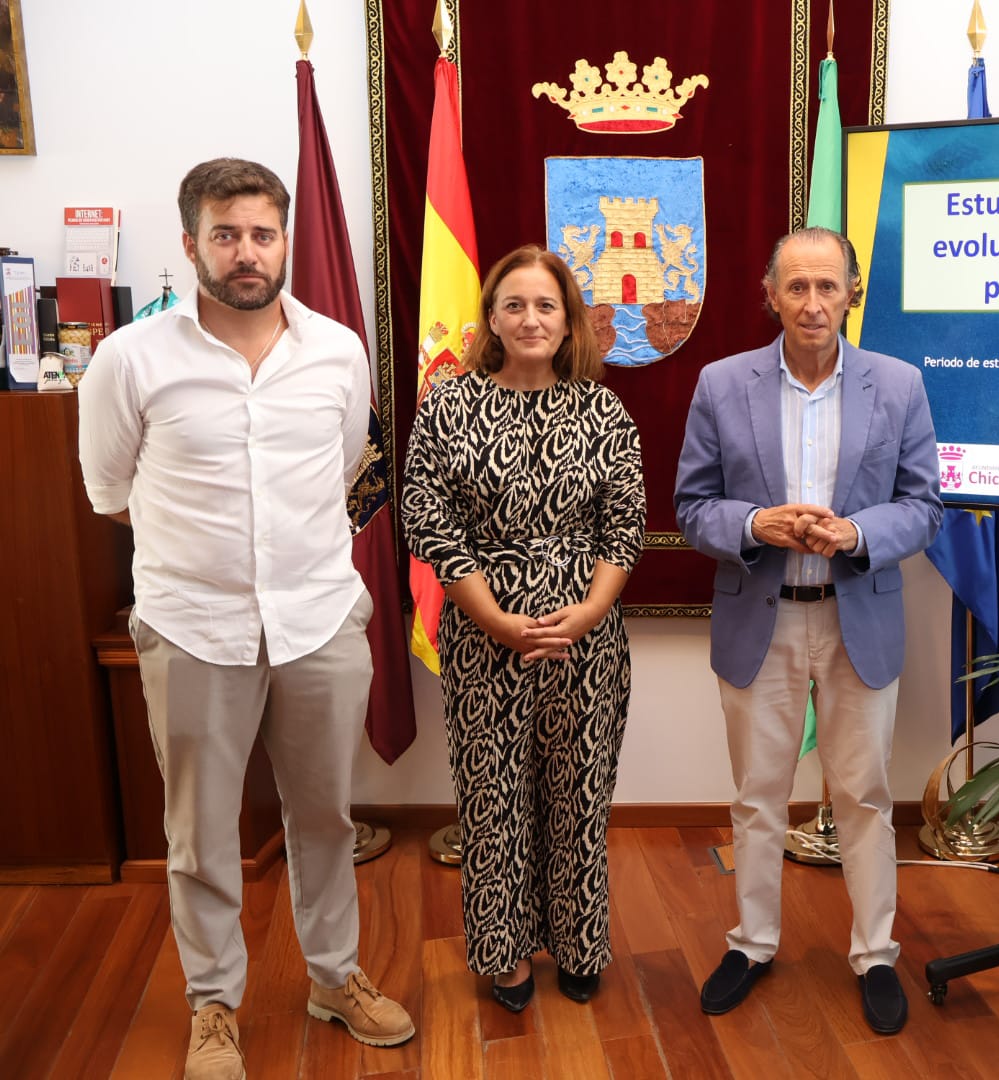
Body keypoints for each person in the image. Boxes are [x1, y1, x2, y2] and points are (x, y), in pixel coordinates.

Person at [77, 158, 413, 1080]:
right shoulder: (128, 358)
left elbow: (345, 469)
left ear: (285, 240)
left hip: (317, 619)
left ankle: (334, 978)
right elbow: (110, 492)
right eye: (225, 234)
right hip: (192, 626)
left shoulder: (339, 350)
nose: (246, 252)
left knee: (324, 818)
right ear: (191, 244)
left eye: (263, 233)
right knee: (199, 831)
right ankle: (213, 1003)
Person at [673, 226, 942, 1035]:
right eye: (797, 288)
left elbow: (924, 507)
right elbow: (692, 507)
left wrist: (857, 535)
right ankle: (751, 944)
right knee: (758, 799)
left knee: (862, 796)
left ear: (852, 292)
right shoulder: (722, 385)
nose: (813, 303)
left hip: (856, 617)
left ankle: (875, 954)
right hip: (763, 621)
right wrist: (758, 522)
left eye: (828, 287)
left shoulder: (900, 384)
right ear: (770, 295)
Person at [402, 244, 645, 1012]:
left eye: (546, 305)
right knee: (493, 797)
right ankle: (503, 954)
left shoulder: (604, 411)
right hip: (485, 637)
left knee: (579, 793)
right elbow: (427, 519)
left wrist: (590, 611)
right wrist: (496, 619)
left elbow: (625, 527)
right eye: (514, 305)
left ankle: (579, 944)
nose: (531, 318)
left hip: (587, 640)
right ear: (491, 319)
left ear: (567, 318)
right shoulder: (447, 405)